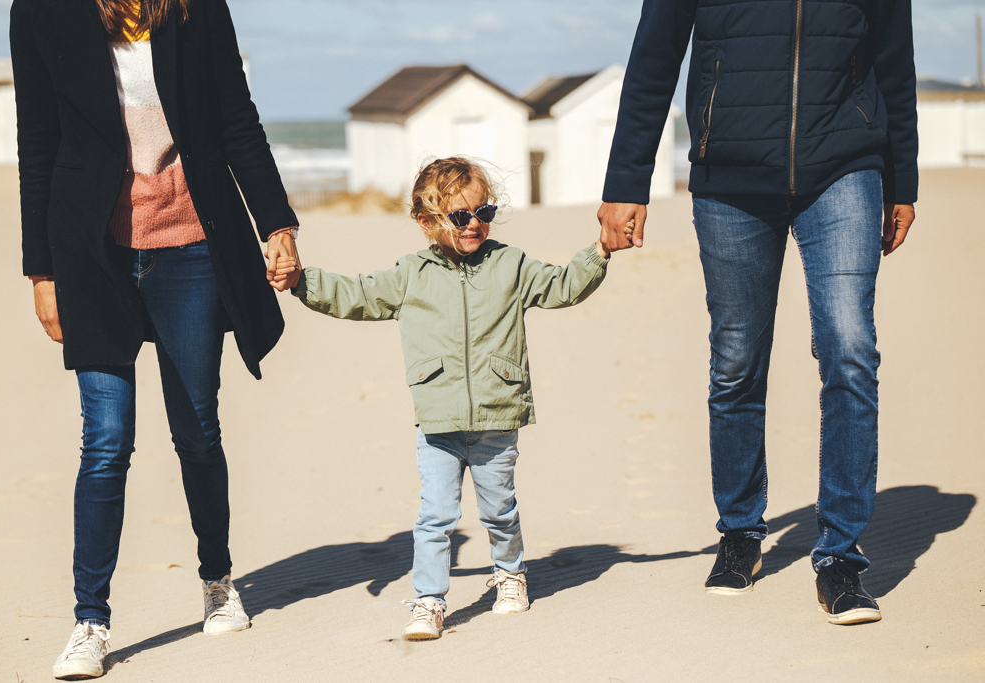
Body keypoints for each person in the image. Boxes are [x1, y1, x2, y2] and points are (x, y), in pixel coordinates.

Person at [597, 0, 917, 625]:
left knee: (850, 349)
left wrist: (901, 181)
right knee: (737, 359)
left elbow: (893, 63)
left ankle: (840, 555)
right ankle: (741, 531)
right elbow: (654, 58)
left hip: (845, 168)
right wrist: (627, 180)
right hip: (730, 177)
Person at [10, 0, 301, 677]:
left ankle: (218, 579)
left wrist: (276, 222)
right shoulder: (42, 11)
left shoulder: (195, 7)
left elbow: (235, 118)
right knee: (106, 440)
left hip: (192, 244)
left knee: (197, 427)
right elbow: (38, 141)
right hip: (92, 251)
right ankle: (91, 620)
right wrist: (42, 271)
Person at [276, 157, 612, 640]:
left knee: (499, 509)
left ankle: (510, 572)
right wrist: (302, 282)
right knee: (435, 516)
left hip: (498, 414)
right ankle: (429, 600)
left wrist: (599, 250)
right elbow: (355, 295)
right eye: (459, 216)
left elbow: (563, 286)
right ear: (426, 220)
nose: (474, 223)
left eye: (484, 211)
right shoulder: (410, 275)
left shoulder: (510, 264)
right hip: (437, 419)